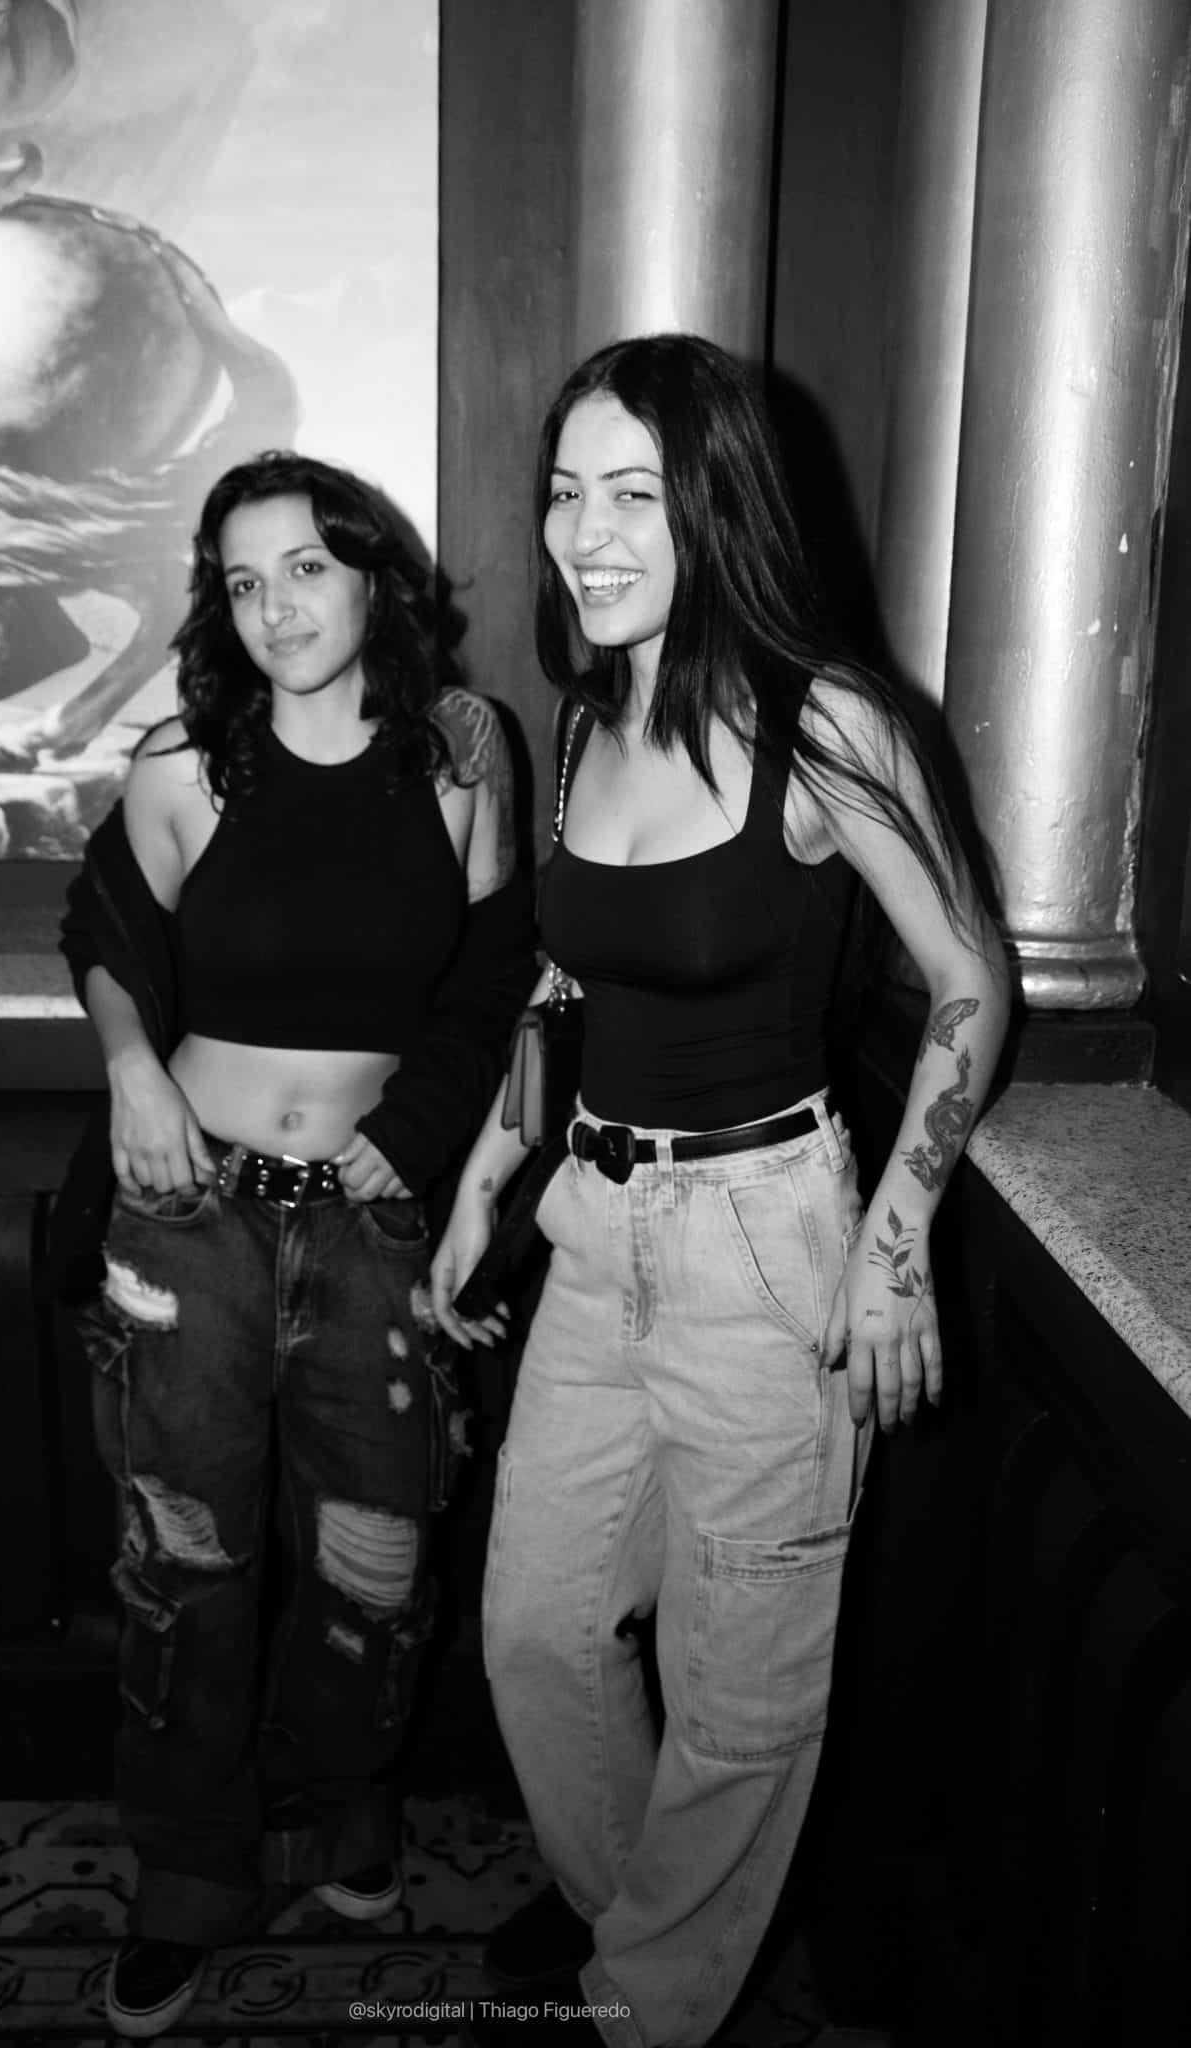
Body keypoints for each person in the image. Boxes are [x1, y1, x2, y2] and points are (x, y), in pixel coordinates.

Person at [430, 334, 1011, 2048]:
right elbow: (565, 982)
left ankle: (645, 2008)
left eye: (633, 495)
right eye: (564, 493)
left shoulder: (826, 723)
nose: (584, 535)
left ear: (716, 506)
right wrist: (485, 1172)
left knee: (739, 1690)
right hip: (590, 1224)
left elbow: (971, 982)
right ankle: (637, 1924)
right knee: (536, 1635)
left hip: (765, 1240)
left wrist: (893, 1244)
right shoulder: (586, 716)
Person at [55, 448, 534, 2039]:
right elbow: (101, 929)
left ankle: (343, 1807)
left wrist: (425, 1124)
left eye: (306, 569)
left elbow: (497, 972)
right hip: (188, 1220)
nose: (276, 609)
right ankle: (188, 1873)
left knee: (374, 1559)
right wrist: (131, 1066)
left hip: (379, 1220)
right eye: (243, 582)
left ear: (373, 574)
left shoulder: (462, 753)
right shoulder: (185, 763)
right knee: (183, 1569)